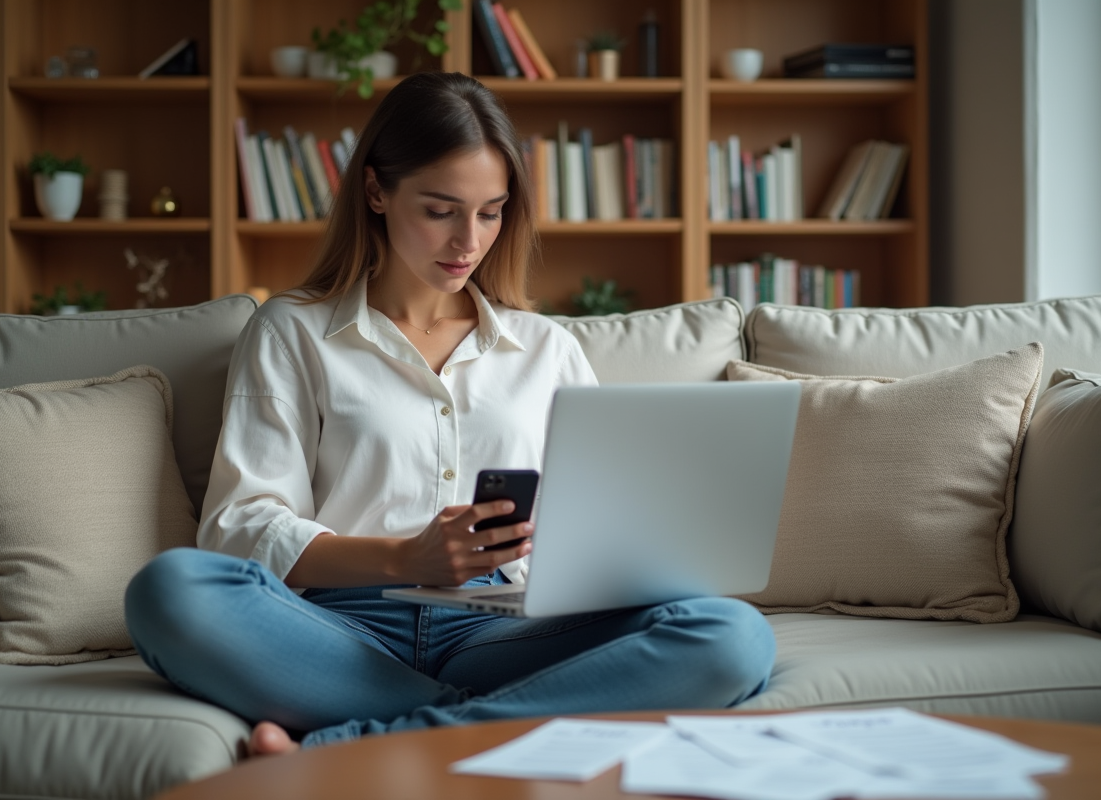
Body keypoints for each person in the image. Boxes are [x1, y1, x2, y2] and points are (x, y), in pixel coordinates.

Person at [124, 71, 776, 757]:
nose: (469, 239)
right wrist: (408, 557)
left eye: (491, 212)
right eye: (441, 210)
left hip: (498, 632)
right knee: (170, 590)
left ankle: (366, 742)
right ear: (376, 191)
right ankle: (498, 722)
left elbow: (589, 530)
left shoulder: (547, 348)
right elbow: (238, 529)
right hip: (338, 630)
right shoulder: (293, 330)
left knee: (733, 637)